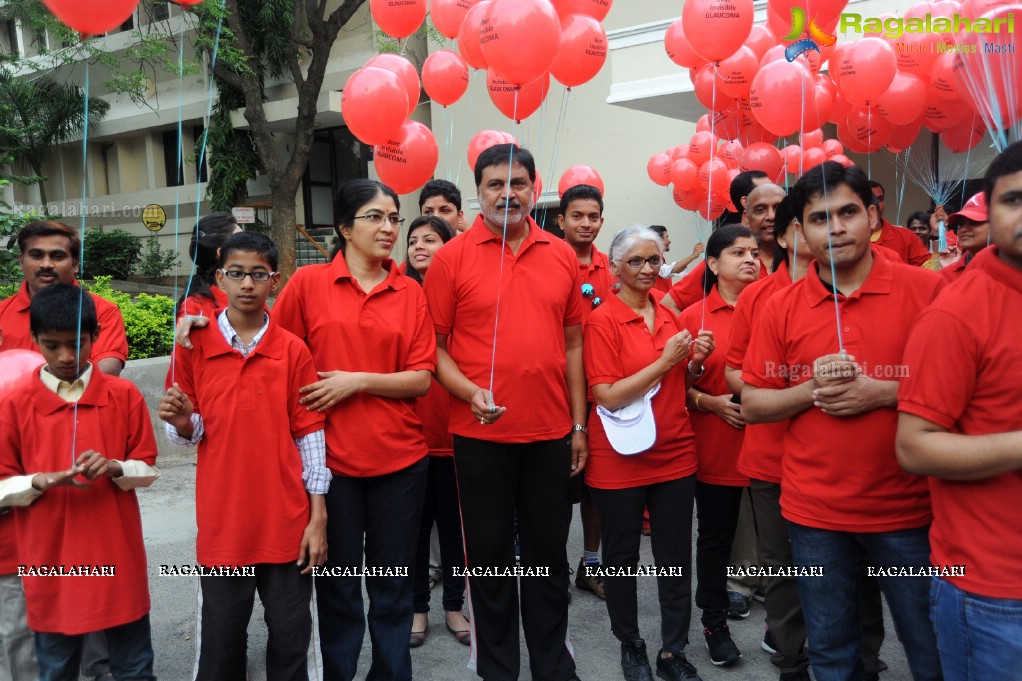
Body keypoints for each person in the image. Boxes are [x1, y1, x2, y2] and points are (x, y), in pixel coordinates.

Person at [741, 162, 943, 681]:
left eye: (848, 212)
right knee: (831, 650)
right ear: (799, 233)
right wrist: (810, 390)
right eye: (819, 218)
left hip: (909, 510)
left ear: (873, 216)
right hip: (816, 515)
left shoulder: (927, 293)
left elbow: (962, 392)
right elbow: (756, 404)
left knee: (931, 646)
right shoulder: (780, 307)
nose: (835, 228)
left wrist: (885, 392)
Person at [423, 143, 586, 681]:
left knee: (548, 561)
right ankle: (497, 670)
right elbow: (436, 349)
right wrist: (469, 392)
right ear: (479, 191)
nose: (507, 193)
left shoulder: (561, 253)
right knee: (489, 564)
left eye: (517, 183)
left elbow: (573, 346)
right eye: (495, 184)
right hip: (480, 435)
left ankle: (551, 667)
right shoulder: (451, 259)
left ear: (534, 189)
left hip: (550, 432)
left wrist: (579, 424)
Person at [272, 179, 436, 681]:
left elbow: (421, 378)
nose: (389, 228)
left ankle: (390, 674)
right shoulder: (307, 285)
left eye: (394, 218)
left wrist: (358, 382)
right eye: (375, 217)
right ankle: (339, 673)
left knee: (391, 585)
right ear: (344, 227)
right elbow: (276, 354)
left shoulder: (409, 292)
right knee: (340, 587)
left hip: (400, 462)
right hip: (331, 466)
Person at [159, 232, 329, 680]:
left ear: (274, 280)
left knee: (293, 637)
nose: (247, 284)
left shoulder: (292, 349)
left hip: (287, 522)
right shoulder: (194, 344)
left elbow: (310, 434)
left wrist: (317, 517)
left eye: (258, 274)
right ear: (219, 278)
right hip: (224, 524)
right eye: (236, 274)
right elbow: (188, 434)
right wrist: (179, 422)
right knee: (220, 641)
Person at [896, 140, 1022, 681]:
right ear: (990, 212)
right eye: (1015, 200)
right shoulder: (956, 312)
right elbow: (914, 445)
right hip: (994, 589)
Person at [0, 283, 159, 681]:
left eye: (77, 344)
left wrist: (116, 468)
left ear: (95, 338)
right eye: (52, 346)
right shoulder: (15, 404)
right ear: (34, 340)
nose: (67, 356)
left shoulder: (123, 396)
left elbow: (148, 468)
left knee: (135, 667)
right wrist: (40, 480)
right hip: (48, 564)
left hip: (117, 557)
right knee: (55, 669)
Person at [584, 225, 713, 681]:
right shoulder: (602, 321)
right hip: (618, 456)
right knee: (620, 558)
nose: (646, 269)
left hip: (675, 449)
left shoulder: (671, 315)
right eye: (635, 261)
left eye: (653, 260)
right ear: (614, 267)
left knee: (676, 553)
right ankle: (631, 642)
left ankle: (673, 650)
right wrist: (665, 361)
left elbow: (682, 385)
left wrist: (694, 361)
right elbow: (607, 396)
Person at [676, 224, 759, 668]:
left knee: (782, 544)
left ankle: (783, 628)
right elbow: (672, 392)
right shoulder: (693, 318)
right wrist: (704, 392)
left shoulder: (776, 306)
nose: (750, 259)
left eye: (754, 251)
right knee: (714, 539)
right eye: (737, 252)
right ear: (712, 264)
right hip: (715, 451)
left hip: (772, 450)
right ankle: (714, 622)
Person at [403, 216, 471, 648]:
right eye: (412, 240)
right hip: (409, 433)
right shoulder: (401, 294)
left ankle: (454, 606)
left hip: (457, 426)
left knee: (452, 526)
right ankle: (417, 608)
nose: (419, 246)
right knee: (414, 527)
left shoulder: (463, 295)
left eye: (431, 239)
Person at [558, 183, 611, 600]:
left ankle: (591, 563)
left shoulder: (614, 268)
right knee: (555, 490)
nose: (586, 223)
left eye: (593, 216)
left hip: (602, 395)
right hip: (554, 395)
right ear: (561, 220)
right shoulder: (550, 263)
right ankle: (549, 566)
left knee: (596, 488)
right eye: (577, 216)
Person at [663, 174, 773, 313]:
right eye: (766, 194)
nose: (772, 215)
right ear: (746, 203)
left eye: (778, 204)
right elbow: (669, 305)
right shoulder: (724, 256)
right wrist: (691, 333)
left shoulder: (794, 252)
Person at [176, 212, 243, 319]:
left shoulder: (243, 293)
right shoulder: (194, 310)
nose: (249, 245)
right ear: (221, 253)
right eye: (241, 239)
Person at [868, 181, 935, 267]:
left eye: (880, 199)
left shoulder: (906, 237)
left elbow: (931, 269)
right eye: (871, 199)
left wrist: (938, 232)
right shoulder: (848, 239)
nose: (877, 205)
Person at [940, 191, 990, 280]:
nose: (963, 229)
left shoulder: (1013, 269)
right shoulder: (945, 274)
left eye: (974, 223)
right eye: (961, 224)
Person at [648, 225, 703, 294]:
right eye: (666, 237)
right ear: (658, 240)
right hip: (657, 300)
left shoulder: (659, 257)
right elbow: (666, 272)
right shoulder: (651, 257)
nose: (669, 241)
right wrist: (693, 256)